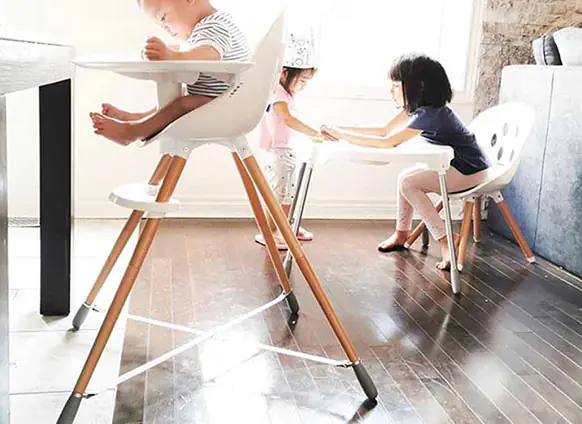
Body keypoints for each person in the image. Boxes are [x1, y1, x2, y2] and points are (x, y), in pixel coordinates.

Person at [322, 54, 490, 269]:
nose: (390, 90)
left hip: (471, 171)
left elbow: (388, 142)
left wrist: (341, 134)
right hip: (458, 166)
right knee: (406, 179)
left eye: (395, 85)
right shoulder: (417, 109)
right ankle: (402, 234)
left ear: (417, 86)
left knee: (408, 183)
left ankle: (447, 240)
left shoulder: (432, 114)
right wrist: (340, 130)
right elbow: (383, 131)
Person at [90, 0, 251, 145]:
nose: (165, 29)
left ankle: (131, 132)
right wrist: (167, 53)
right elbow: (198, 50)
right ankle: (138, 119)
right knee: (176, 98)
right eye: (160, 25)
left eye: (164, 18)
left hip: (227, 105)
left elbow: (209, 53)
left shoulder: (214, 26)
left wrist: (173, 56)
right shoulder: (209, 26)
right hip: (221, 100)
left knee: (181, 104)